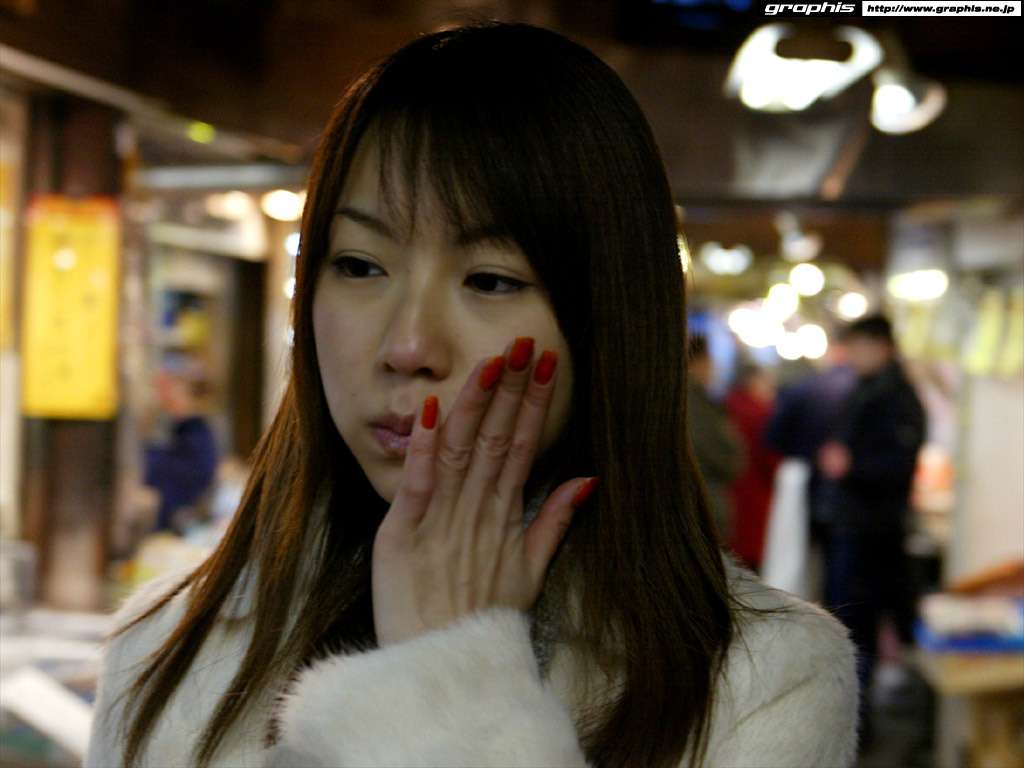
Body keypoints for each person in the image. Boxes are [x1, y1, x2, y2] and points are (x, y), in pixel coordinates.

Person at [86, 23, 857, 768]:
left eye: (490, 280)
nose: (408, 346)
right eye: (358, 265)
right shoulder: (167, 644)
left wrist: (450, 671)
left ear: (610, 325)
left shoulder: (764, 680)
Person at [817, 314, 925, 743]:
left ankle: (857, 726)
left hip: (872, 529)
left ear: (882, 346)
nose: (852, 355)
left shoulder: (896, 396)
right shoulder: (869, 388)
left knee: (857, 622)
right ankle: (854, 721)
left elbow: (899, 464)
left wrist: (851, 466)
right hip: (855, 523)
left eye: (859, 346)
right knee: (851, 622)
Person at [142, 368, 219, 533]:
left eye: (173, 390)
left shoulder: (196, 434)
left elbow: (192, 480)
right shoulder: (178, 430)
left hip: (174, 520)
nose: (164, 397)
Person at [686, 336, 746, 544]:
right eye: (710, 361)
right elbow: (725, 456)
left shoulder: (692, 401)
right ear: (698, 362)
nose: (714, 368)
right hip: (703, 501)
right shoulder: (697, 405)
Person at [726, 364, 781, 572]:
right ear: (753, 382)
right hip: (756, 491)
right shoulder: (762, 414)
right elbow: (770, 457)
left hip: (729, 492)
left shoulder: (723, 407)